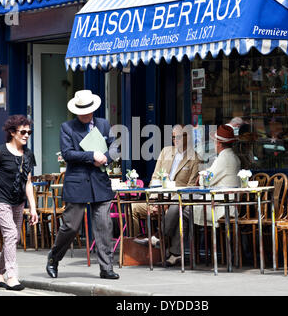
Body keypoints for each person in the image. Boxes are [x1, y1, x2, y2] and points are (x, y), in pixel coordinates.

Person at [46, 90, 119, 280]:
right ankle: (54, 257)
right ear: (76, 111)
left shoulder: (103, 124)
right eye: (82, 110)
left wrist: (106, 158)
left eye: (88, 110)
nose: (85, 114)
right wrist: (91, 156)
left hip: (100, 183)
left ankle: (106, 267)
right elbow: (67, 153)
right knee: (71, 227)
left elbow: (115, 147)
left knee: (104, 225)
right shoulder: (67, 127)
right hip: (77, 183)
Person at [0, 115, 38, 291]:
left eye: (29, 132)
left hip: (18, 201)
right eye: (23, 132)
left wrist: (33, 208)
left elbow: (28, 182)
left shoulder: (28, 154)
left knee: (14, 237)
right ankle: (12, 276)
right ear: (12, 132)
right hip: (1, 198)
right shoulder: (0, 152)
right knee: (11, 234)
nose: (27, 135)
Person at [131, 125, 200, 265]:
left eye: (179, 137)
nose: (176, 140)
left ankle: (159, 239)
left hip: (175, 201)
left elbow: (191, 187)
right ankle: (136, 248)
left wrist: (169, 202)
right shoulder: (165, 152)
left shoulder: (195, 158)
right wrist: (154, 199)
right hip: (158, 199)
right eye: (173, 137)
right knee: (133, 208)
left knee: (177, 211)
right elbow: (155, 177)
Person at [193, 124, 241, 227]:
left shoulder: (224, 158)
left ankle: (188, 242)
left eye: (214, 142)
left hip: (222, 206)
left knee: (186, 210)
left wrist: (201, 176)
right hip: (227, 202)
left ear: (218, 143)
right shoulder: (233, 156)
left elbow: (206, 180)